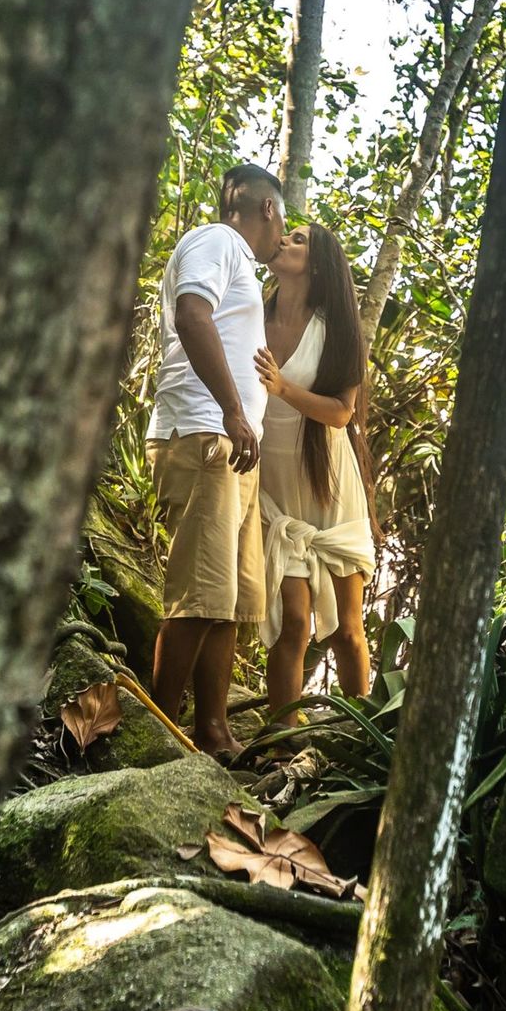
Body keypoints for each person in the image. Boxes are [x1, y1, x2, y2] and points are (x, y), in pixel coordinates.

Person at [146, 164, 283, 757]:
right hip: (204, 434)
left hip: (229, 445)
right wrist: (231, 410)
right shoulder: (218, 240)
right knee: (198, 597)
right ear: (270, 211)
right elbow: (191, 315)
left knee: (226, 603)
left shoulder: (237, 261)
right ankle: (157, 732)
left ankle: (213, 730)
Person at [252, 220, 377, 718]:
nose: (284, 239)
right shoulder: (250, 315)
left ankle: (360, 737)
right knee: (293, 623)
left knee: (348, 629)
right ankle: (282, 743)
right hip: (273, 488)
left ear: (319, 263)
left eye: (298, 238)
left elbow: (342, 413)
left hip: (329, 486)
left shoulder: (335, 329)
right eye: (286, 234)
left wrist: (283, 388)